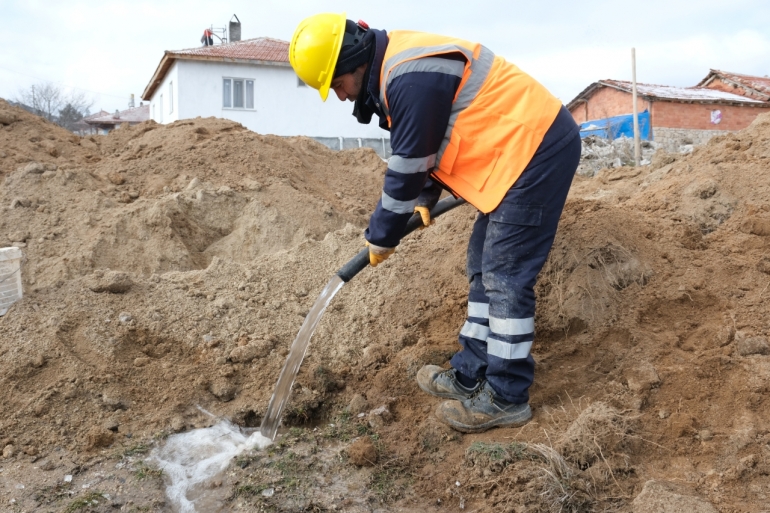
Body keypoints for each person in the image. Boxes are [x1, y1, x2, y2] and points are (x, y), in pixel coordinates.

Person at [290, 13, 581, 433]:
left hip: (535, 149)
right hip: (511, 156)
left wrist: (382, 236)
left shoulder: (408, 76)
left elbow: (406, 166)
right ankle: (470, 374)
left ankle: (505, 395)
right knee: (482, 266)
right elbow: (431, 140)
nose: (339, 97)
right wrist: (428, 196)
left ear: (352, 63)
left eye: (336, 85)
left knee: (505, 276)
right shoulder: (400, 70)